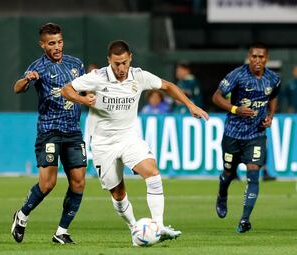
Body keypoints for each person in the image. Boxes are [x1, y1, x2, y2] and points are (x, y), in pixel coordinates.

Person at [61, 40, 209, 245]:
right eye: (116, 64)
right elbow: (66, 89)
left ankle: (158, 226)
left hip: (129, 138)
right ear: (109, 61)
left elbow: (168, 86)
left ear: (130, 57)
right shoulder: (97, 78)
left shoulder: (139, 76)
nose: (121, 68)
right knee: (119, 194)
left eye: (124, 63)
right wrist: (83, 100)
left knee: (153, 172)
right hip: (104, 145)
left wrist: (190, 105)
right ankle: (135, 229)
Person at [11, 23, 87, 245]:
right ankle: (22, 215)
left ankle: (61, 232)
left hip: (73, 131)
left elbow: (84, 89)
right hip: (49, 131)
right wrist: (27, 79)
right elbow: (17, 88)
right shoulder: (38, 67)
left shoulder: (76, 64)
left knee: (79, 182)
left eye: (60, 42)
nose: (57, 47)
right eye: (52, 43)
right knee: (47, 184)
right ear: (42, 44)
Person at [212, 42, 280, 233]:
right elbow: (216, 97)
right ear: (249, 57)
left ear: (266, 58)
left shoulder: (273, 79)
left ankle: (244, 220)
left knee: (253, 175)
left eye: (261, 57)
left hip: (256, 135)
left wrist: (270, 116)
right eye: (254, 57)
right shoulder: (238, 75)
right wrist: (235, 109)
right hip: (233, 134)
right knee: (228, 174)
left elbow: (274, 96)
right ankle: (222, 194)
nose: (257, 61)